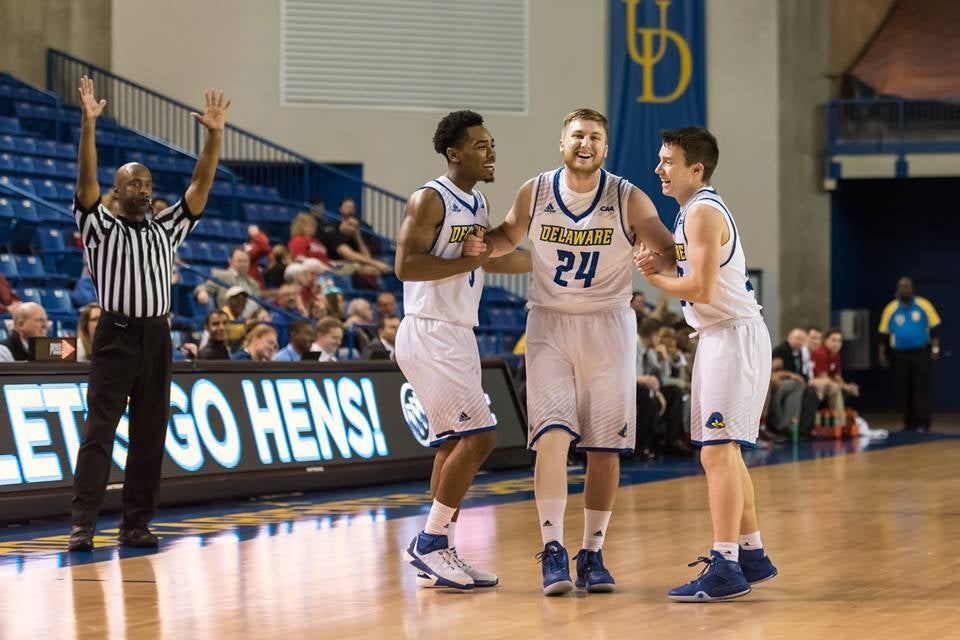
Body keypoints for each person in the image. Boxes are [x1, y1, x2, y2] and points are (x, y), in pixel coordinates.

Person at [475, 108, 676, 596]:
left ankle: (592, 552)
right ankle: (552, 550)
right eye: (577, 136)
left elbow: (668, 249)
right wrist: (477, 245)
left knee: (604, 448)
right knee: (551, 439)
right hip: (548, 323)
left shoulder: (627, 196)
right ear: (561, 143)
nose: (585, 143)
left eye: (595, 137)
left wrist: (657, 258)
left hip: (607, 325)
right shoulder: (536, 190)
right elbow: (506, 236)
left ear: (605, 149)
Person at [68, 76, 229, 552]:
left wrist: (214, 135)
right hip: (116, 334)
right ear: (116, 192)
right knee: (99, 433)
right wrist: (89, 125)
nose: (144, 188)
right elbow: (85, 181)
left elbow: (199, 184)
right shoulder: (98, 226)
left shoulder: (167, 229)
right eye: (134, 183)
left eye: (148, 183)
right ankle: (83, 524)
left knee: (149, 435)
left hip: (158, 336)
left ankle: (135, 524)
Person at [635, 126, 777, 601]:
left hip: (732, 336)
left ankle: (725, 564)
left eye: (667, 161)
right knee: (724, 451)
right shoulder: (691, 213)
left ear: (695, 169)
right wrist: (669, 268)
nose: (659, 169)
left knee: (717, 451)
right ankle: (751, 554)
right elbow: (695, 278)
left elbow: (701, 289)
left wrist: (656, 275)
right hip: (724, 336)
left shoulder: (701, 212)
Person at [395, 110, 530, 591]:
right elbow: (406, 267)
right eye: (480, 146)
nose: (491, 152)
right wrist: (465, 261)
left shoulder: (477, 201)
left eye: (492, 144)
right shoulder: (430, 199)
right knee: (482, 438)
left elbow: (489, 259)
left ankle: (440, 550)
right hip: (430, 329)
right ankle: (430, 542)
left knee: (453, 444)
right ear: (454, 153)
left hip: (456, 331)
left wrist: (555, 262)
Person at [878, 276, 940, 432]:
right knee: (904, 388)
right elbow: (883, 334)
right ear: (898, 289)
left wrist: (935, 349)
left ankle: (923, 422)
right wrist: (882, 355)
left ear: (912, 289)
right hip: (900, 354)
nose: (904, 290)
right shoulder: (891, 308)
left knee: (921, 388)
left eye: (907, 287)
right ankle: (909, 422)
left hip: (920, 352)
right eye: (902, 287)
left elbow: (935, 330)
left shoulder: (924, 305)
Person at [812, 328, 860, 417]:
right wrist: (844, 387)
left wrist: (847, 386)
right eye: (833, 340)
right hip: (817, 384)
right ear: (825, 341)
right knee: (835, 388)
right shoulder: (821, 353)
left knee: (851, 389)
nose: (836, 344)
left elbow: (837, 376)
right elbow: (824, 378)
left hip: (827, 383)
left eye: (839, 341)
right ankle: (840, 421)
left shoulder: (836, 355)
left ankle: (851, 418)